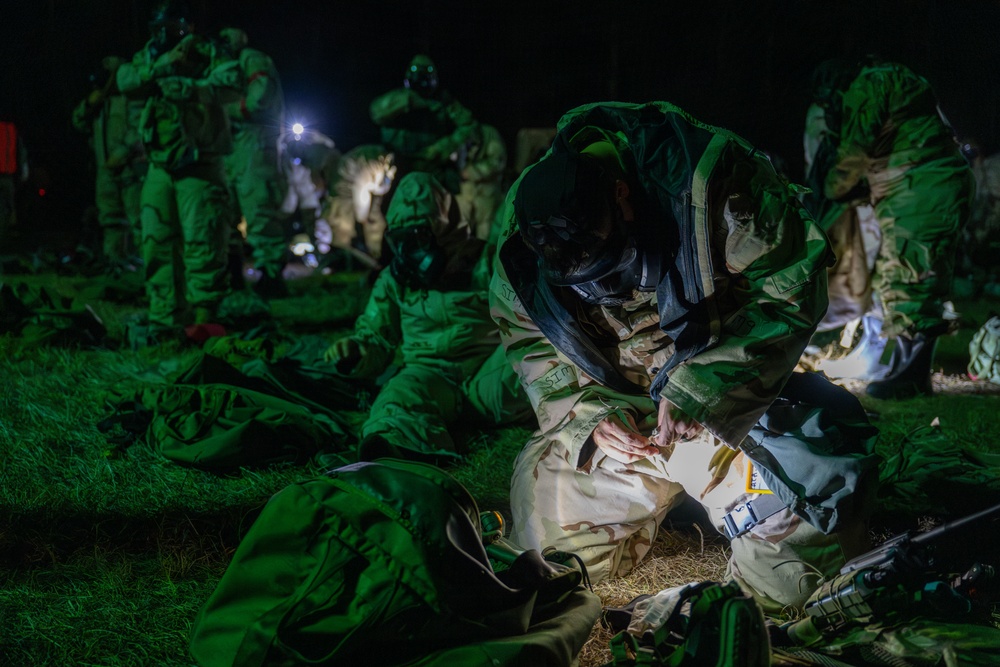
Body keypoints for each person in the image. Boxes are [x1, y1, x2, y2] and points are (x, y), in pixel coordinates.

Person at [489, 101, 871, 614]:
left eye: (610, 268)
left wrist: (701, 389)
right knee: (546, 554)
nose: (606, 292)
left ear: (623, 195)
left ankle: (723, 494)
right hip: (626, 426)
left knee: (796, 583)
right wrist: (590, 416)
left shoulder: (714, 185)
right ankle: (660, 499)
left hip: (729, 413)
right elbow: (529, 338)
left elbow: (790, 289)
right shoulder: (526, 230)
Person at [323, 171, 528, 461]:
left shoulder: (484, 262)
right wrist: (357, 351)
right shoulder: (395, 280)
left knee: (534, 362)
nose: (410, 252)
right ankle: (396, 454)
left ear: (444, 230)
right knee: (399, 394)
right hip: (429, 375)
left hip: (489, 376)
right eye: (401, 240)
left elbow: (526, 323)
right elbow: (375, 337)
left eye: (418, 238)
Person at [809, 58, 975, 399]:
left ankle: (911, 378)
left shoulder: (866, 87)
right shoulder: (897, 79)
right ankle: (904, 369)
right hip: (930, 182)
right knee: (905, 275)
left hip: (918, 186)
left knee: (909, 278)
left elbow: (851, 154)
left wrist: (830, 187)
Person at [116, 0, 239, 340]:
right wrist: (159, 67)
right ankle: (166, 319)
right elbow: (126, 81)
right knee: (155, 240)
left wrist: (193, 88)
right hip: (160, 165)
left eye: (171, 26)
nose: (165, 33)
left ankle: (204, 318)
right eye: (159, 27)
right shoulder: (151, 55)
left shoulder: (209, 50)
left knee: (204, 240)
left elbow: (233, 81)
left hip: (200, 163)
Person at [216, 27, 289, 299]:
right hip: (234, 143)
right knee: (226, 209)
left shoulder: (253, 59)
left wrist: (227, 109)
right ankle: (233, 271)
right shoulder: (230, 64)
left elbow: (260, 100)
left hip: (255, 143)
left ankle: (271, 276)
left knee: (258, 208)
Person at [72, 56, 147, 269]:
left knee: (138, 220)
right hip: (105, 172)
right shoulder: (99, 103)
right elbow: (78, 121)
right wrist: (89, 103)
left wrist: (123, 153)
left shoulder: (131, 98)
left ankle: (148, 266)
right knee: (111, 219)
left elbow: (140, 129)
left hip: (131, 170)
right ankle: (116, 262)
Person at [369, 54, 477, 195]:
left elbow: (469, 125)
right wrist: (406, 102)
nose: (420, 81)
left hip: (430, 166)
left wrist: (443, 147)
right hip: (397, 166)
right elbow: (376, 113)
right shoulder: (398, 98)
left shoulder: (443, 102)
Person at [455, 122, 507, 241]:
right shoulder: (464, 139)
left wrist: (472, 172)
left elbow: (496, 163)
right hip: (468, 193)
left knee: (484, 230)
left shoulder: (491, 140)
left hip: (485, 195)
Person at [0, 115, 28, 250]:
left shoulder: (11, 129)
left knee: (8, 210)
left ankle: (5, 240)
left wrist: (24, 167)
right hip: (6, 174)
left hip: (8, 175)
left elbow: (20, 149)